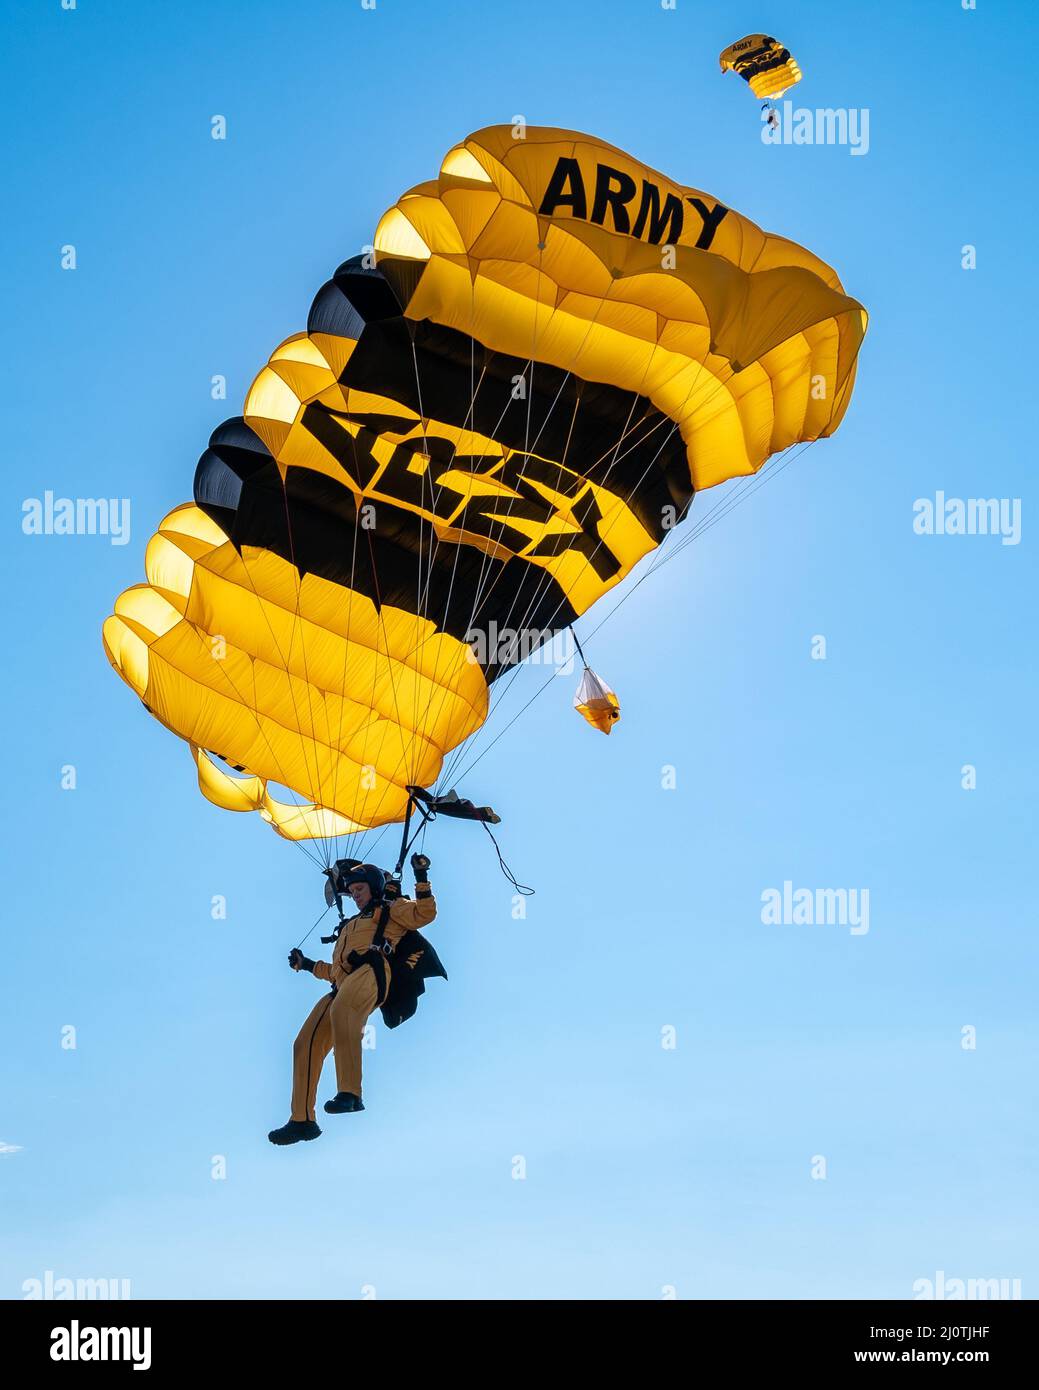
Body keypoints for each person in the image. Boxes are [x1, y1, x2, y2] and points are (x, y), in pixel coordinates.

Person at [268, 853, 436, 1146]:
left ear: (373, 887)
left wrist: (421, 877)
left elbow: (424, 914)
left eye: (360, 889)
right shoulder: (348, 927)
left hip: (373, 973)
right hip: (343, 984)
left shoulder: (390, 910)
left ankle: (350, 1093)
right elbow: (335, 973)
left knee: (344, 1010)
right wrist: (306, 964)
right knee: (304, 1042)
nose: (355, 896)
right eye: (352, 891)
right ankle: (302, 1120)